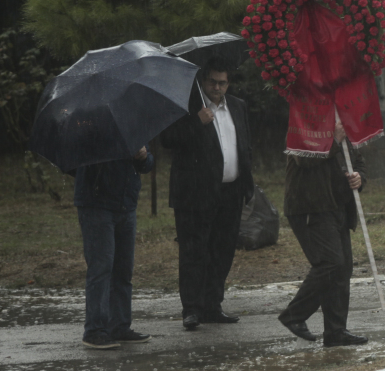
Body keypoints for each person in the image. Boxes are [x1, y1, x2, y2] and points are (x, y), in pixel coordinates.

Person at [161, 58, 254, 330]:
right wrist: (196, 122)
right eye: (212, 81)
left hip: (230, 192)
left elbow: (245, 144)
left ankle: (213, 305)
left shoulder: (237, 106)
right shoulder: (188, 108)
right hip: (194, 194)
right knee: (194, 251)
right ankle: (192, 309)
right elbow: (167, 140)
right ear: (203, 81)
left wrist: (246, 183)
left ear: (228, 83)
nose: (217, 87)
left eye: (222, 82)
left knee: (222, 251)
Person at [278, 116, 369, 347]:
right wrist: (335, 140)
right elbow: (303, 158)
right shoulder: (302, 120)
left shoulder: (343, 121)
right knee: (331, 263)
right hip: (310, 205)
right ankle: (294, 315)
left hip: (337, 205)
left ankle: (336, 331)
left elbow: (356, 160)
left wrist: (359, 177)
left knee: (342, 268)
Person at [73, 146, 155, 349]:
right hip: (97, 205)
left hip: (126, 204)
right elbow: (75, 164)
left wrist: (143, 157)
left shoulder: (131, 123)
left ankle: (119, 326)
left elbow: (148, 164)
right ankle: (95, 330)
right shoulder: (90, 126)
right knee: (101, 268)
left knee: (123, 269)